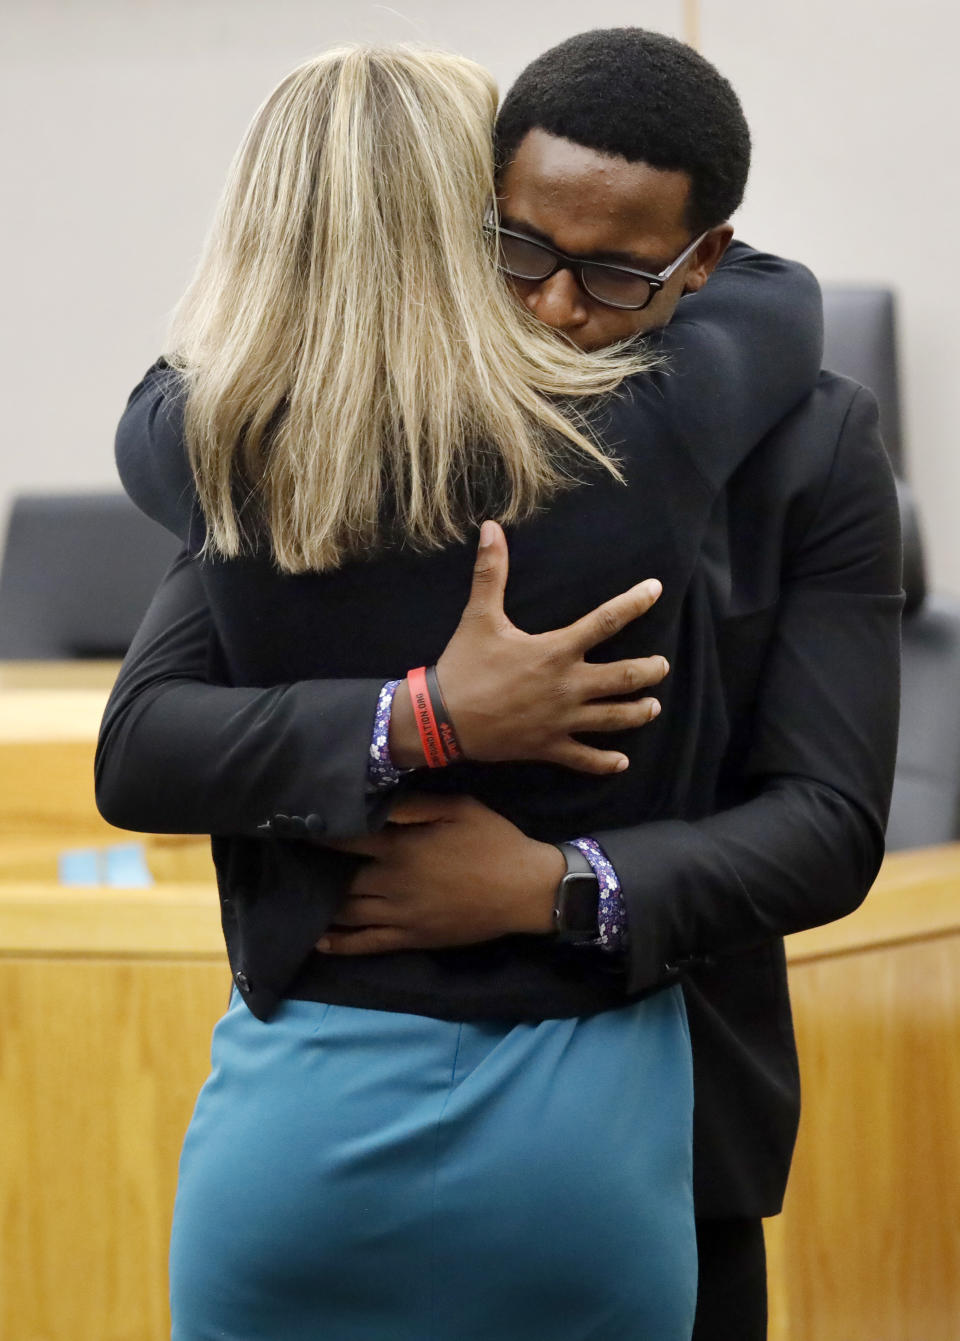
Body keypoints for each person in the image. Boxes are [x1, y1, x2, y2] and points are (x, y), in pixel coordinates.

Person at [97, 31, 901, 1341]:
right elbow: (146, 744)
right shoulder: (307, 462)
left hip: (643, 1115)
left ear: (698, 256)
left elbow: (828, 821)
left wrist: (560, 878)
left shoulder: (247, 451)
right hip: (526, 1146)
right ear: (473, 215)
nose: (556, 308)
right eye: (517, 250)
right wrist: (418, 716)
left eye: (614, 269)